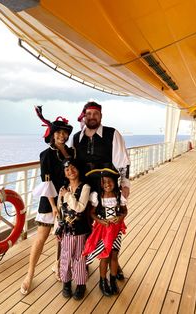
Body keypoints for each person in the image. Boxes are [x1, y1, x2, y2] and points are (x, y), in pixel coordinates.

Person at [73, 101, 130, 279]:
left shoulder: (112, 134)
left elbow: (123, 162)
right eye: (88, 114)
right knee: (87, 226)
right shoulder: (77, 137)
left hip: (107, 187)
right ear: (84, 116)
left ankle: (113, 263)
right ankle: (88, 260)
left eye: (95, 114)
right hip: (85, 188)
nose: (92, 117)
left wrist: (125, 184)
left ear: (101, 116)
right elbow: (73, 163)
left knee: (110, 225)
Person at [20, 106, 74, 295]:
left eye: (64, 132)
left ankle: (59, 265)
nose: (61, 135)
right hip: (49, 200)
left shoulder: (71, 153)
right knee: (41, 238)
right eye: (58, 132)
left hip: (68, 200)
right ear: (52, 134)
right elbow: (47, 182)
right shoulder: (46, 155)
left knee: (63, 238)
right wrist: (53, 207)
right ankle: (29, 274)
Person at [83, 167, 127, 296]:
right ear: (100, 184)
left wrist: (120, 217)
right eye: (104, 182)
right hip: (103, 230)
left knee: (114, 255)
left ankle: (112, 280)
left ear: (114, 181)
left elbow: (125, 210)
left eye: (110, 181)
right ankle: (103, 281)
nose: (107, 184)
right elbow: (91, 213)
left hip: (116, 230)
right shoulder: (98, 196)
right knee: (105, 256)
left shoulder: (119, 196)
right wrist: (100, 220)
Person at [56, 159, 91, 300]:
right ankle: (66, 283)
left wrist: (67, 196)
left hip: (81, 230)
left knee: (80, 258)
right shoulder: (63, 189)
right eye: (67, 169)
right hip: (67, 231)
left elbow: (80, 208)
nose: (70, 171)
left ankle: (81, 284)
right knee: (65, 257)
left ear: (78, 169)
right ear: (64, 173)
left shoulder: (85, 187)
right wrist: (58, 227)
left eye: (73, 167)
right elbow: (60, 210)